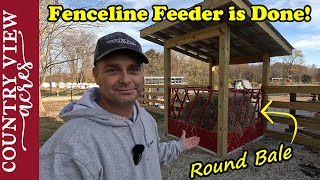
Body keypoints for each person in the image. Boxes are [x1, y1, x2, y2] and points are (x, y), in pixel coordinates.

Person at [40, 32, 200, 180]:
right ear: (95, 75)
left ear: (142, 74)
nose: (125, 79)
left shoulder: (146, 119)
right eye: (113, 70)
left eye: (133, 69)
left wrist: (180, 146)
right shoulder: (70, 145)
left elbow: (152, 155)